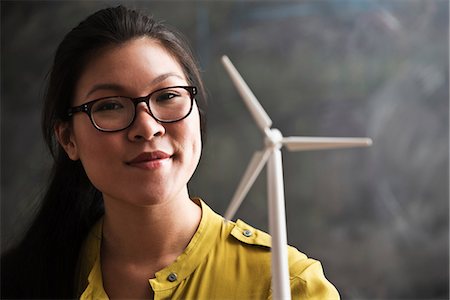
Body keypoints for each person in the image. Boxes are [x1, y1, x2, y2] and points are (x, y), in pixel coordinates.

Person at [1, 5, 340, 299]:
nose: (147, 128)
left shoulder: (287, 283)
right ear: (67, 139)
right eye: (110, 106)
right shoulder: (22, 280)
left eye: (167, 96)